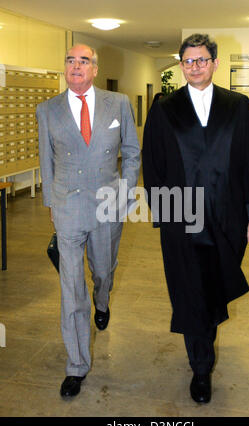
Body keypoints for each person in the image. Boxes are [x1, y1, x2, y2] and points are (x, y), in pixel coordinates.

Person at [142, 34, 249, 404]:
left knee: (215, 284)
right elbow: (152, 163)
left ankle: (206, 334)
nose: (195, 67)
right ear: (181, 65)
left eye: (202, 60)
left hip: (227, 215)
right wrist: (163, 214)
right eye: (188, 61)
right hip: (181, 215)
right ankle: (200, 367)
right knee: (189, 289)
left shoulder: (238, 107)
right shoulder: (164, 108)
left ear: (215, 63)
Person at [36, 44, 140, 398]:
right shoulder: (47, 110)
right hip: (67, 208)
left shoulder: (119, 104)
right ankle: (76, 365)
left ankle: (103, 298)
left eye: (83, 61)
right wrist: (51, 202)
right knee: (70, 288)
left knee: (102, 271)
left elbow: (131, 152)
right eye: (70, 60)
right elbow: (45, 161)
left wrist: (125, 192)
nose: (76, 66)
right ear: (64, 68)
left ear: (95, 69)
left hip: (106, 205)